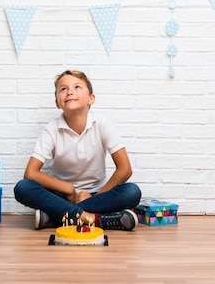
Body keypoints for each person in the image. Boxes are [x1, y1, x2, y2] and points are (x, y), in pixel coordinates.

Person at [14, 69, 142, 231]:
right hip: (62, 196)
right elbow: (31, 173)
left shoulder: (102, 124)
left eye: (77, 87)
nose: (70, 92)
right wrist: (69, 190)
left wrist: (99, 195)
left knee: (132, 192)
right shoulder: (52, 129)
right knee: (23, 187)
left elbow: (125, 169)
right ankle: (94, 219)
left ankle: (57, 217)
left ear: (91, 99)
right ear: (57, 103)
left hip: (97, 195)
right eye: (63, 89)